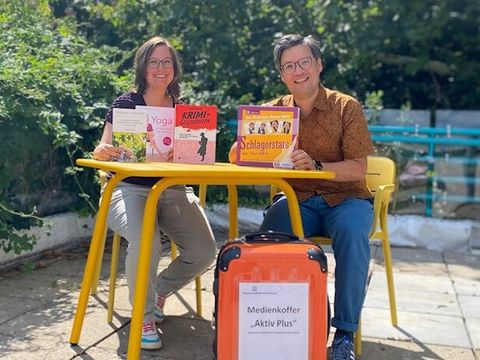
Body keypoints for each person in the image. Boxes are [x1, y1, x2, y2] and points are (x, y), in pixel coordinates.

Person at [229, 34, 373, 360]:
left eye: (304, 61)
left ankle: (345, 334)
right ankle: (289, 324)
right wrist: (250, 145)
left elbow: (359, 169)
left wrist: (317, 165)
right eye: (289, 65)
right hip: (298, 200)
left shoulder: (346, 106)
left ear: (319, 65)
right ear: (281, 74)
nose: (298, 70)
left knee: (353, 235)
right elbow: (236, 153)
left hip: (346, 198)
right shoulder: (272, 112)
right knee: (270, 232)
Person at [92, 36, 216, 350]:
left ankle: (158, 290)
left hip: (172, 189)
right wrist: (103, 152)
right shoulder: (126, 104)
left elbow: (199, 158)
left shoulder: (185, 111)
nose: (160, 68)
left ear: (174, 69)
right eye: (153, 62)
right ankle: (144, 316)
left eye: (166, 62)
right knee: (146, 238)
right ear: (143, 67)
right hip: (129, 189)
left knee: (204, 251)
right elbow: (101, 149)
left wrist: (189, 154)